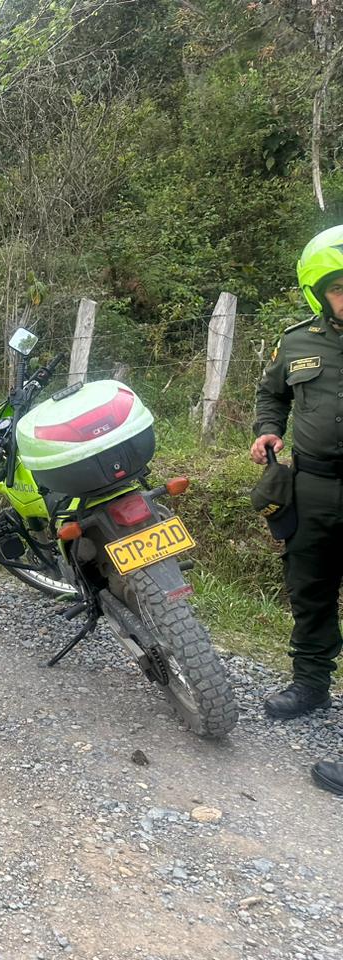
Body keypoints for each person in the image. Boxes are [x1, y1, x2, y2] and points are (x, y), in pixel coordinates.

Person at [253, 226, 343, 797]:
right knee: (309, 588)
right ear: (320, 293)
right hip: (311, 486)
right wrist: (267, 430)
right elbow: (272, 394)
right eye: (339, 287)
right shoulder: (295, 342)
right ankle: (311, 685)